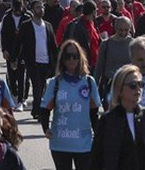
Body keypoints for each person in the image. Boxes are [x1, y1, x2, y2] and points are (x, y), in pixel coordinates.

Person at [89, 64, 145, 170]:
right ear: (120, 90)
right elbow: (96, 159)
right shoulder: (107, 121)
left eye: (141, 84)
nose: (138, 89)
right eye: (133, 85)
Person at [38, 40, 100, 170]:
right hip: (60, 143)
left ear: (80, 58)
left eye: (75, 56)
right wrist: (45, 128)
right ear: (62, 60)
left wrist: (99, 136)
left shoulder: (89, 82)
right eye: (67, 56)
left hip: (83, 143)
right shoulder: (55, 83)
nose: (71, 59)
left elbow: (94, 113)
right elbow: (44, 109)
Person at [14, 1, 57, 118]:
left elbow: (53, 45)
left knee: (42, 87)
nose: (41, 9)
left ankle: (36, 108)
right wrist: (14, 58)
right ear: (32, 10)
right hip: (33, 62)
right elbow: (19, 43)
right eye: (38, 7)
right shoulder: (26, 25)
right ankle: (38, 111)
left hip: (46, 62)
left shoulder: (48, 26)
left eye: (42, 7)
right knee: (37, 86)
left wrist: (57, 61)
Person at [93, 16, 135, 100]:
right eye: (120, 30)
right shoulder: (106, 44)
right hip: (110, 85)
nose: (123, 33)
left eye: (126, 30)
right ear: (115, 28)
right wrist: (94, 87)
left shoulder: (133, 44)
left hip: (128, 85)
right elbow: (99, 67)